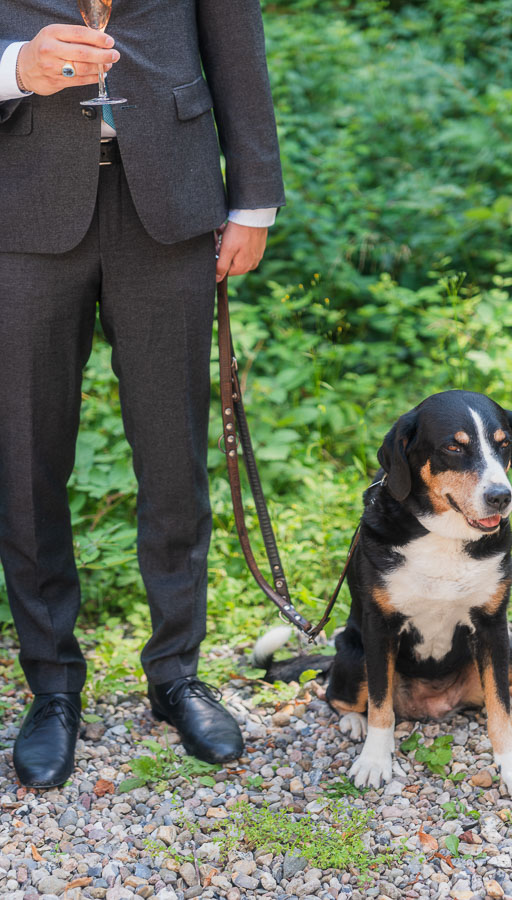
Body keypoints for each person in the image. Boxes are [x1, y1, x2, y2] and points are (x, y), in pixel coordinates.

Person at [0, 0, 285, 789]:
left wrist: (253, 198)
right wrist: (11, 65)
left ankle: (175, 674)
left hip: (172, 206)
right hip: (17, 209)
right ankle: (52, 686)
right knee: (25, 459)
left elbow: (237, 47)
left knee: (172, 456)